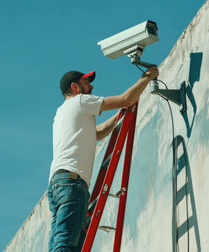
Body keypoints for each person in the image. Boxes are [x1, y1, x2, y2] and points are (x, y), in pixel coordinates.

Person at [47, 66, 159, 251]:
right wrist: (147, 78)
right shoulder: (81, 101)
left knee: (65, 241)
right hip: (72, 183)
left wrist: (120, 114)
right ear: (75, 87)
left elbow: (97, 133)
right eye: (86, 82)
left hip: (58, 185)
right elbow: (126, 98)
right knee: (66, 243)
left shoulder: (62, 112)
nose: (91, 87)